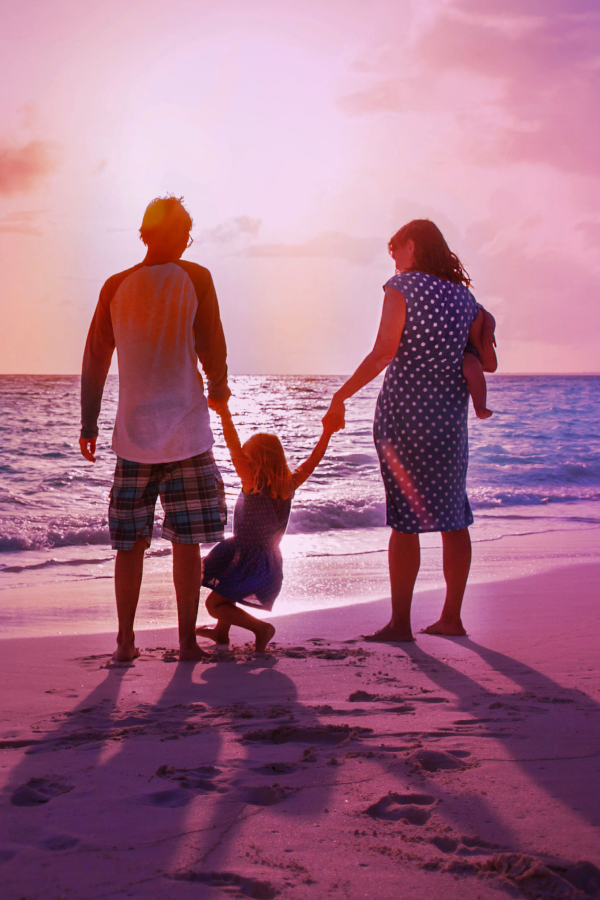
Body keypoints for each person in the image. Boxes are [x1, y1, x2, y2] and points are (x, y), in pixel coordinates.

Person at [322, 219, 497, 642]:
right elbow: (478, 357)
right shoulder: (464, 298)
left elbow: (384, 352)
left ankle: (401, 623)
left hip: (405, 417)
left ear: (412, 245)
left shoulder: (402, 287)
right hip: (449, 422)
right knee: (455, 518)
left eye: (396, 250)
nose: (394, 260)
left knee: (405, 519)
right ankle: (451, 618)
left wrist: (340, 395)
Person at [79, 195, 230, 662]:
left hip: (133, 436)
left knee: (132, 544)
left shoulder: (115, 285)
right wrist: (220, 390)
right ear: (159, 233)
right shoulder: (196, 277)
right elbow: (211, 342)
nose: (186, 239)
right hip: (185, 430)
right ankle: (185, 643)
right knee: (186, 541)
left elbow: (95, 359)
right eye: (183, 230)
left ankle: (126, 642)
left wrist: (89, 420)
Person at [196, 407, 334, 652]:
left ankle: (261, 629)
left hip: (245, 559)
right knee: (227, 591)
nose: (244, 460)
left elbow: (233, 449)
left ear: (254, 459)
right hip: (268, 561)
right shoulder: (289, 484)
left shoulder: (252, 484)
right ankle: (221, 632)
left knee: (214, 604)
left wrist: (226, 415)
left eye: (249, 457)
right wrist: (327, 432)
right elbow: (313, 460)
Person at [462, 308, 497, 418]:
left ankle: (480, 407)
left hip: (468, 348)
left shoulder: (470, 302)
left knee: (472, 367)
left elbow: (488, 316)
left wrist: (488, 331)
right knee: (471, 366)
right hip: (453, 349)